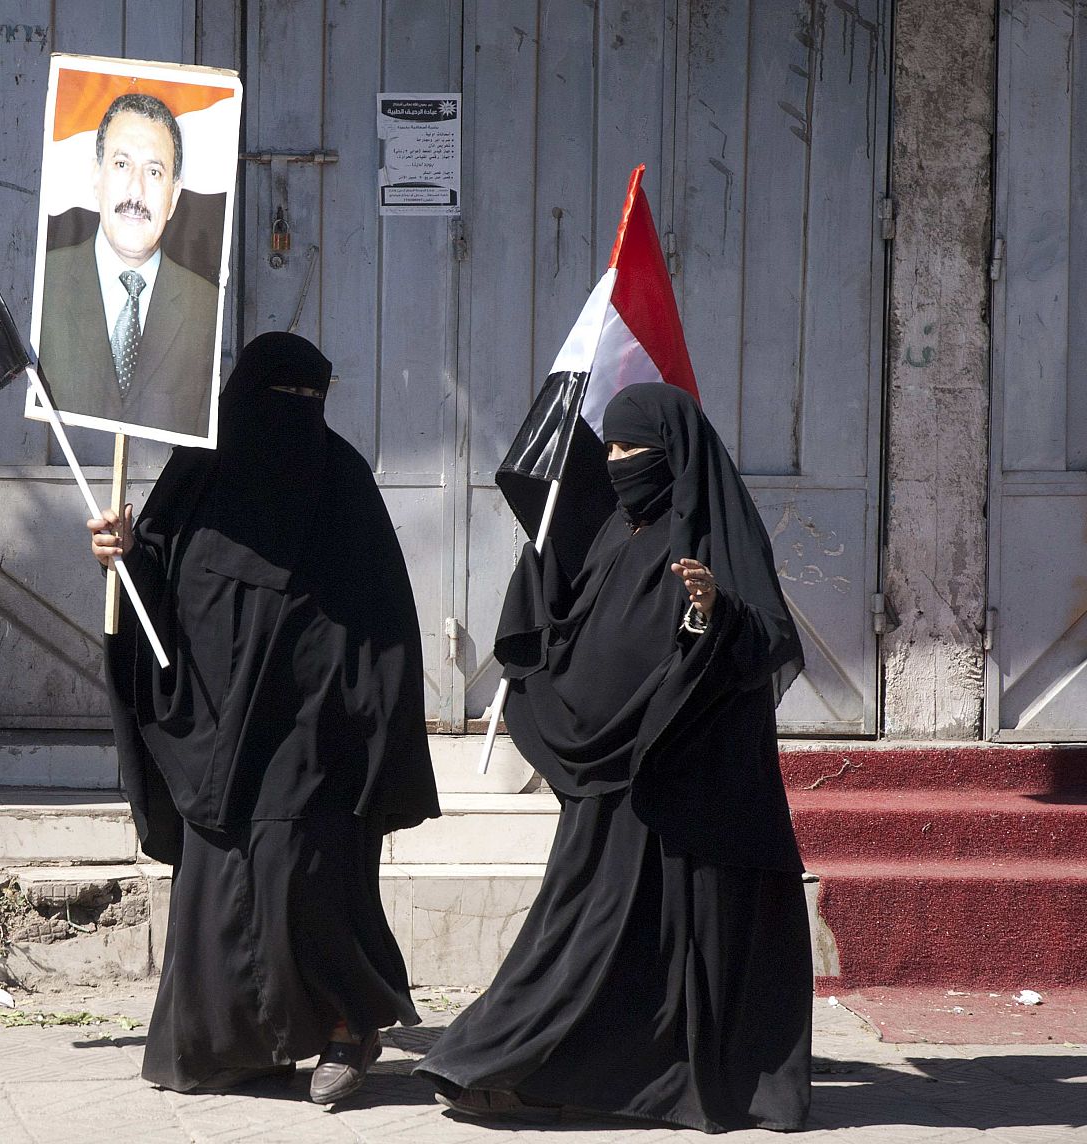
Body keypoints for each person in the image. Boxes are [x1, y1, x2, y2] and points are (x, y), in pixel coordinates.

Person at [414, 382, 812, 1133]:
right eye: (611, 448)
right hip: (610, 779)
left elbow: (763, 639)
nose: (617, 461)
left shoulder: (716, 536)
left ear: (675, 456)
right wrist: (537, 582)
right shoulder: (616, 531)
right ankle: (521, 1063)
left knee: (626, 937)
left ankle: (524, 1067)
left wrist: (711, 613)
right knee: (584, 927)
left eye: (633, 449)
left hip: (680, 784)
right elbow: (575, 620)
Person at [86, 331, 440, 1104]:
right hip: (215, 725)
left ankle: (351, 1029)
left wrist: (373, 737)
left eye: (309, 403)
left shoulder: (342, 481)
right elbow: (154, 585)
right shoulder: (198, 471)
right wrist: (122, 554)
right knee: (219, 894)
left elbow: (385, 627)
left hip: (315, 734)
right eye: (279, 401)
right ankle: (239, 1042)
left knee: (309, 883)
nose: (294, 418)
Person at [41, 91, 219, 449]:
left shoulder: (209, 309)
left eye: (154, 172)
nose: (136, 191)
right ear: (96, 177)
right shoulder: (44, 287)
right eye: (122, 165)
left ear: (174, 196)